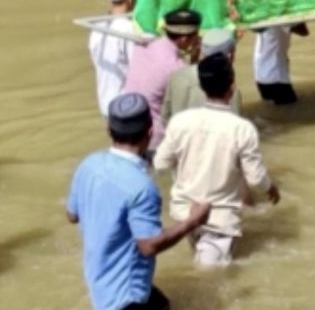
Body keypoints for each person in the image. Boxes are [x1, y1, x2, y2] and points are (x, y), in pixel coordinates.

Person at [66, 93, 210, 310]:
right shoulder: (142, 186)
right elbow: (149, 245)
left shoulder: (88, 165)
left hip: (99, 281)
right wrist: (193, 221)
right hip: (126, 297)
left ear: (109, 130)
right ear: (150, 133)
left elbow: (72, 215)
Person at [154, 53, 281, 267]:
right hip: (219, 220)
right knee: (212, 282)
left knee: (201, 271)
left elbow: (160, 163)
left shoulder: (180, 122)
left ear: (202, 86)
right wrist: (271, 189)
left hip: (185, 214)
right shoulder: (242, 129)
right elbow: (255, 179)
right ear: (232, 85)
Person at [122, 9, 201, 150]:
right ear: (184, 39)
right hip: (153, 138)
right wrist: (195, 61)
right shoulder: (176, 67)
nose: (198, 39)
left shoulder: (143, 45)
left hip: (127, 127)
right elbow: (189, 102)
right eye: (196, 35)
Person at [162, 29, 242, 125]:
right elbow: (233, 129)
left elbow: (165, 116)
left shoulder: (176, 76)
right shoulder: (228, 89)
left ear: (202, 51)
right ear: (229, 55)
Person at [88, 0, 138, 117]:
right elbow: (137, 67)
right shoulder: (128, 29)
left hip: (105, 103)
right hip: (125, 105)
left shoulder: (97, 26)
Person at [254, 23, 309, 104]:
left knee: (273, 111)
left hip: (260, 75)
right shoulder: (282, 20)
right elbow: (304, 31)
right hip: (275, 75)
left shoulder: (263, 18)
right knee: (291, 110)